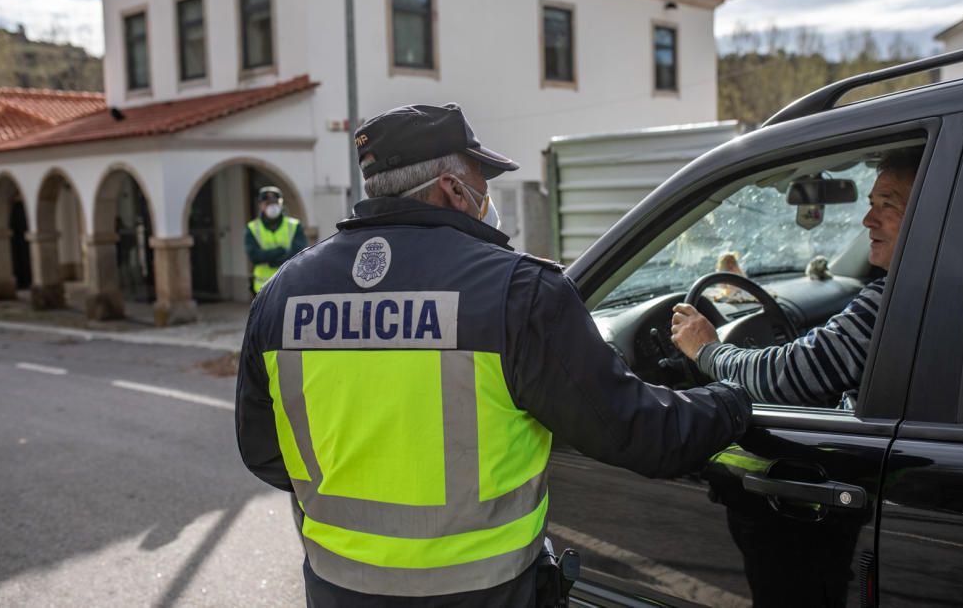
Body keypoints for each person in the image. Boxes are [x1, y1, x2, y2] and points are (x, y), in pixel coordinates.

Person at [235, 103, 752, 607]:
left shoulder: (282, 294)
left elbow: (263, 453)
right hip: (488, 593)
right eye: (483, 181)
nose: (487, 195)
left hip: (336, 589)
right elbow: (642, 435)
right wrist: (735, 397)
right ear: (451, 188)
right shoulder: (518, 292)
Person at [670, 149, 919, 406]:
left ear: (928, 212)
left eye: (888, 204)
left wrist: (707, 351)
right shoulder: (938, 289)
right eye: (871, 205)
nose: (867, 220)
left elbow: (788, 377)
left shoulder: (899, 299)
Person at [244, 186, 308, 294]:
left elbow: (300, 252)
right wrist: (280, 251)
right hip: (262, 288)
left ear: (281, 203)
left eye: (275, 202)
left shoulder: (294, 225)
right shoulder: (252, 228)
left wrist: (271, 258)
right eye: (267, 203)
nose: (272, 206)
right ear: (260, 205)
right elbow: (254, 256)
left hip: (290, 284)